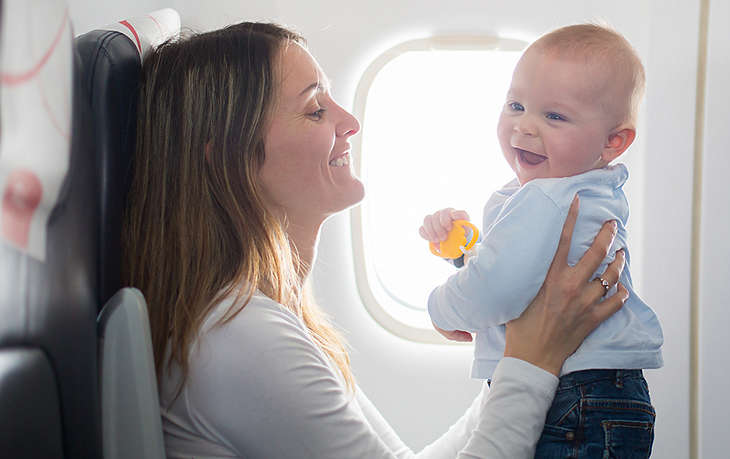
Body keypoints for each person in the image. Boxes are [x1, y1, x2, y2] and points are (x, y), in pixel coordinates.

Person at [122, 22, 630, 458]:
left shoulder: (275, 317)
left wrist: (528, 341)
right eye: (316, 110)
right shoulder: (239, 337)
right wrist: (531, 357)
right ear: (228, 155)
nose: (350, 121)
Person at [418, 24, 663, 457]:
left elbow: (498, 289)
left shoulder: (547, 198)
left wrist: (440, 309)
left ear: (613, 141)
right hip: (600, 394)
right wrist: (466, 253)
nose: (524, 127)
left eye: (554, 116)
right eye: (516, 105)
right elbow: (527, 275)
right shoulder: (580, 189)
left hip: (573, 397)